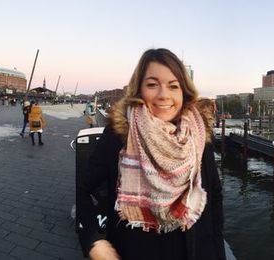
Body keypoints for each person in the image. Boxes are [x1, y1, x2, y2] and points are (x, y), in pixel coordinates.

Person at [77, 48, 224, 260]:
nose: (164, 95)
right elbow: (84, 190)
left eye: (173, 86)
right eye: (153, 84)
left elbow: (215, 198)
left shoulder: (198, 135)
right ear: (139, 89)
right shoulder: (120, 134)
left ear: (184, 92)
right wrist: (92, 241)